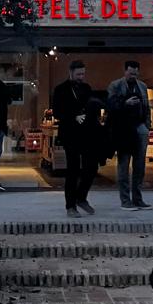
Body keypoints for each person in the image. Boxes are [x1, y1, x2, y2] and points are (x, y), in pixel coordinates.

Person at [50, 59, 102, 217]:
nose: (81, 77)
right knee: (72, 170)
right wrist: (73, 117)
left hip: (86, 134)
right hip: (70, 134)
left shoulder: (86, 88)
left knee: (91, 167)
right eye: (78, 74)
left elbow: (91, 106)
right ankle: (70, 206)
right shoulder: (61, 89)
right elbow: (57, 111)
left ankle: (81, 197)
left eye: (83, 74)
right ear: (71, 72)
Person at [106, 59, 152, 210]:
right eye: (131, 73)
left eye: (135, 74)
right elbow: (110, 105)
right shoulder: (115, 85)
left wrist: (147, 125)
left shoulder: (142, 86)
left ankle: (137, 199)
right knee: (124, 165)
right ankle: (125, 200)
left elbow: (146, 107)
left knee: (140, 165)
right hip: (123, 129)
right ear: (125, 71)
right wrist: (125, 103)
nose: (133, 76)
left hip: (139, 127)